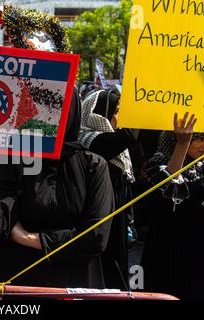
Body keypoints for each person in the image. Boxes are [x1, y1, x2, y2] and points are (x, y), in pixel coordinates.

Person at [0, 88, 114, 288]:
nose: (48, 116)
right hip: (19, 285)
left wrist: (31, 238)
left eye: (57, 108)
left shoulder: (93, 166)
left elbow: (95, 238)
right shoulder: (15, 159)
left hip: (73, 285)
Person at [141, 112, 204, 300]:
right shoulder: (156, 164)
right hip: (163, 254)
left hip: (196, 255)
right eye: (199, 139)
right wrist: (183, 143)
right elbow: (167, 185)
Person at [78, 89, 138, 290]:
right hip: (98, 220)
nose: (120, 117)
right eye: (117, 111)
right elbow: (121, 139)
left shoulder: (116, 144)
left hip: (117, 219)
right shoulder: (87, 139)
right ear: (100, 113)